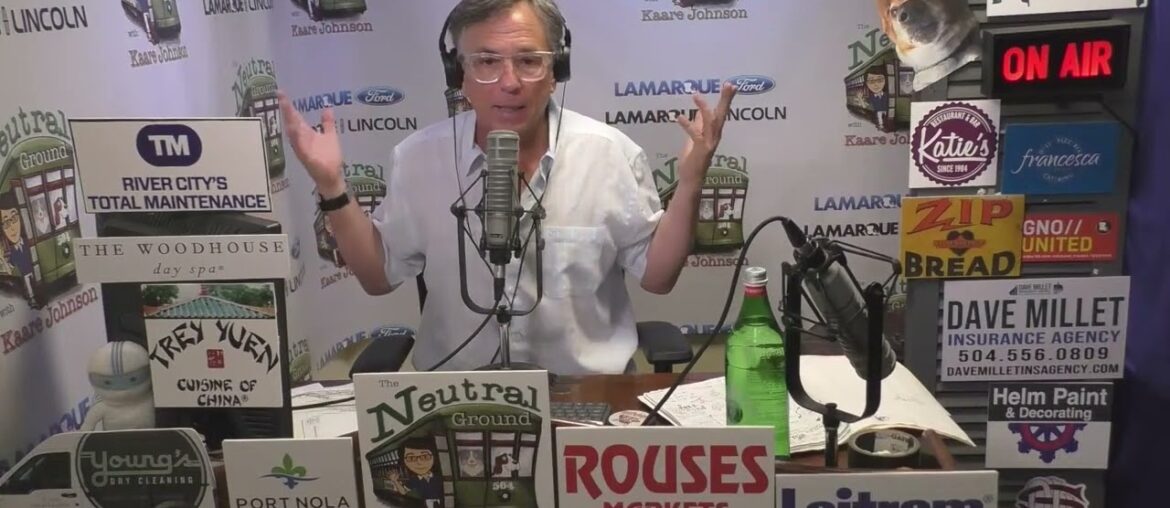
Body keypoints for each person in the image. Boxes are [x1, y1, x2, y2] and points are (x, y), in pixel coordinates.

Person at [276, 0, 737, 375]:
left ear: (557, 71)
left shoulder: (609, 154)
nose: (510, 82)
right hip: (454, 398)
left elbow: (658, 277)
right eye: (487, 62)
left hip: (585, 399)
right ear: (459, 75)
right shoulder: (418, 159)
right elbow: (377, 277)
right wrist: (331, 185)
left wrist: (693, 180)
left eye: (529, 62)